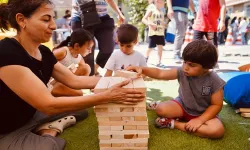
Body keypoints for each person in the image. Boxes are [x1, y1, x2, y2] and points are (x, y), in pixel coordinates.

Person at [0, 1, 145, 149]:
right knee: (49, 147)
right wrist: (106, 96)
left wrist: (118, 79)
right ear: (21, 20)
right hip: (7, 129)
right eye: (46, 19)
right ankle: (49, 131)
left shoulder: (43, 51)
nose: (54, 26)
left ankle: (42, 126)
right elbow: (48, 104)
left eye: (53, 19)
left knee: (80, 110)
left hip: (31, 115)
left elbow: (74, 80)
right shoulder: (6, 52)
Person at [127, 40, 225, 139]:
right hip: (182, 106)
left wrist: (200, 120)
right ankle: (158, 105)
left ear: (206, 67)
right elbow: (160, 73)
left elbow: (216, 105)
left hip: (204, 113)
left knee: (217, 131)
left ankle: (173, 123)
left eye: (191, 65)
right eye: (184, 62)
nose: (185, 67)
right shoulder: (182, 71)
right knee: (161, 110)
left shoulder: (214, 80)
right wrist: (142, 69)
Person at [71, 0, 125, 76]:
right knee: (86, 49)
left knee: (108, 47)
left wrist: (119, 12)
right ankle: (89, 75)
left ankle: (94, 69)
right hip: (81, 17)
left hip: (102, 18)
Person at [51, 28, 94, 96]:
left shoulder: (79, 57)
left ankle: (70, 90)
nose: (90, 51)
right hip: (51, 83)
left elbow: (84, 77)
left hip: (63, 81)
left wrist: (92, 86)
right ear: (77, 46)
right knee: (79, 94)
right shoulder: (63, 52)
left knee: (86, 68)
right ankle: (55, 90)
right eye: (88, 48)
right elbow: (45, 61)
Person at [142, 0, 166, 68]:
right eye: (162, 2)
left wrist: (164, 26)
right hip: (153, 33)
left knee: (160, 47)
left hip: (160, 33)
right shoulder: (151, 10)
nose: (163, 4)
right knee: (150, 47)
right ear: (157, 1)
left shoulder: (162, 11)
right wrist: (150, 24)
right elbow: (144, 19)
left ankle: (159, 62)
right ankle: (145, 58)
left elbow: (162, 22)